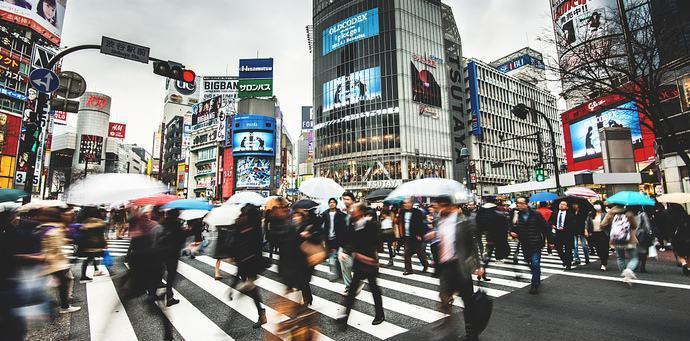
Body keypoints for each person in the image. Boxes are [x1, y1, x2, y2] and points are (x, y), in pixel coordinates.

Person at [425, 196, 484, 341]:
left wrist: (479, 265)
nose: (438, 209)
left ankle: (472, 334)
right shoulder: (439, 221)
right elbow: (442, 239)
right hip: (445, 267)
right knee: (444, 299)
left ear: (450, 206)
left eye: (440, 206)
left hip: (460, 266)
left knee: (468, 302)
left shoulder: (463, 221)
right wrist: (434, 234)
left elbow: (473, 245)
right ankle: (447, 328)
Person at [336, 203, 384, 327]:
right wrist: (346, 252)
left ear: (361, 212)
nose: (352, 211)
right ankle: (345, 316)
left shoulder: (371, 225)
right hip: (359, 263)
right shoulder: (353, 225)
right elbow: (350, 241)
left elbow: (377, 243)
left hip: (369, 262)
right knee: (352, 291)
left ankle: (380, 314)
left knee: (374, 289)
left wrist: (368, 256)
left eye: (354, 210)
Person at [228, 204, 267, 328]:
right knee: (250, 289)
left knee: (251, 290)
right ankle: (261, 313)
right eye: (242, 214)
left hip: (251, 264)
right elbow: (234, 243)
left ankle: (261, 313)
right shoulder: (239, 226)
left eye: (244, 214)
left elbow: (258, 250)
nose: (242, 216)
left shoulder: (255, 230)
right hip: (241, 262)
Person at [36, 207, 81, 313]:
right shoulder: (54, 229)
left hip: (50, 261)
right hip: (55, 261)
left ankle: (63, 302)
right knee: (64, 281)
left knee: (64, 280)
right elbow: (54, 248)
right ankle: (64, 306)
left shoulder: (44, 227)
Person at [155, 209, 187, 306]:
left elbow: (156, 237)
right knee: (171, 275)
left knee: (159, 272)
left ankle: (152, 293)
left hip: (160, 252)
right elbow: (181, 239)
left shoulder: (161, 223)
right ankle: (169, 296)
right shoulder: (178, 225)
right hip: (173, 253)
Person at [601, 204, 639, 285]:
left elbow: (602, 225)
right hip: (629, 239)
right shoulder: (629, 213)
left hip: (616, 239)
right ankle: (629, 270)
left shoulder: (610, 213)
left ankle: (624, 274)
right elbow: (635, 226)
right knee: (634, 258)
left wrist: (611, 230)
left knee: (620, 257)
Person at [476, 201, 510, 281]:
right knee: (497, 253)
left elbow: (480, 226)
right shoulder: (499, 215)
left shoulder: (482, 214)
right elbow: (504, 227)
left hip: (489, 237)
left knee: (488, 255)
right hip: (498, 237)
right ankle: (483, 271)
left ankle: (482, 271)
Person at [398, 198, 430, 275]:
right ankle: (408, 270)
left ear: (411, 204)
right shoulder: (402, 212)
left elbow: (420, 224)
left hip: (415, 236)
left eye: (407, 203)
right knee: (406, 253)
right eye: (404, 203)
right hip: (407, 236)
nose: (405, 205)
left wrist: (419, 234)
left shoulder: (417, 212)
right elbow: (401, 222)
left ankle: (425, 264)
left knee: (420, 253)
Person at [75, 206, 107, 283]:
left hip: (87, 244)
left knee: (90, 257)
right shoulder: (99, 222)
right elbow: (100, 234)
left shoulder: (85, 221)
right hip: (95, 244)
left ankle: (95, 270)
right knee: (89, 258)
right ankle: (83, 276)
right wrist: (104, 243)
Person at [321, 198, 347, 281]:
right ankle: (339, 273)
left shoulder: (340, 214)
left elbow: (344, 226)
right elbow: (320, 223)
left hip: (337, 238)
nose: (332, 204)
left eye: (333, 202)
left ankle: (334, 275)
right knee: (333, 257)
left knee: (333, 257)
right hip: (328, 238)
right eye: (330, 202)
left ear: (336, 204)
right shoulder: (325, 214)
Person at [549, 201, 576, 270]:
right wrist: (553, 225)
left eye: (564, 204)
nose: (561, 205)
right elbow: (550, 221)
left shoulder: (570, 214)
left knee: (568, 249)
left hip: (567, 233)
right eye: (560, 204)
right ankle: (565, 260)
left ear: (567, 207)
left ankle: (568, 265)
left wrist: (565, 227)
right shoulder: (554, 213)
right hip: (558, 233)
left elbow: (573, 224)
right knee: (558, 248)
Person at [338, 192, 355, 295]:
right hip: (345, 243)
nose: (345, 201)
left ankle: (353, 284)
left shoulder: (356, 211)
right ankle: (349, 286)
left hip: (356, 243)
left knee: (352, 265)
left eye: (347, 199)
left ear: (352, 200)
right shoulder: (344, 213)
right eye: (344, 199)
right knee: (345, 265)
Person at [668, 203, 690, 276]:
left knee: (680, 253)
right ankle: (689, 267)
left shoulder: (672, 217)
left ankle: (684, 264)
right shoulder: (687, 217)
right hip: (688, 237)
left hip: (677, 238)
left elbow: (670, 229)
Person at [587, 201, 609, 271]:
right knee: (598, 249)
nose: (597, 206)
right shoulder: (591, 214)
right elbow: (587, 222)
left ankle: (604, 263)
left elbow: (609, 223)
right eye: (596, 205)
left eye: (598, 205)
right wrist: (586, 230)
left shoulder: (605, 214)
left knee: (604, 249)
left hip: (603, 233)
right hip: (594, 233)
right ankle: (603, 260)